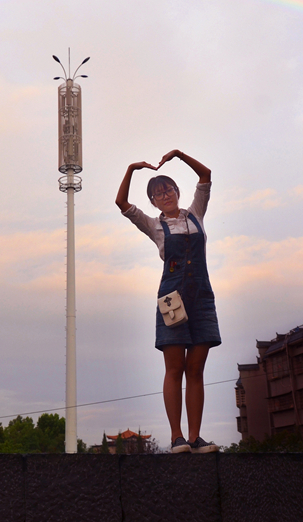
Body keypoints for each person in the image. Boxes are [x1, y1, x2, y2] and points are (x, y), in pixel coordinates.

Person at [115, 149, 221, 454]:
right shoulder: (154, 226)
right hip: (172, 299)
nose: (165, 195)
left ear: (177, 191)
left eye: (169, 189)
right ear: (152, 202)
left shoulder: (195, 214)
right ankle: (177, 438)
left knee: (196, 369)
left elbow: (206, 176)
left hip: (201, 297)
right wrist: (132, 168)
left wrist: (178, 155)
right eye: (158, 193)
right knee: (174, 368)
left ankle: (195, 437)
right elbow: (122, 203)